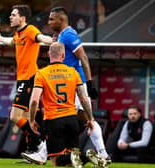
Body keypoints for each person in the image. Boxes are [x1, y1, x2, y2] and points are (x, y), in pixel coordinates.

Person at [48, 6, 110, 166]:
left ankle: (103, 154)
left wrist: (89, 83)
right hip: (68, 83)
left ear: (61, 20)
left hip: (77, 83)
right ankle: (90, 154)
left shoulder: (69, 34)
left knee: (87, 119)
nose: (49, 22)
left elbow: (83, 57)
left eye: (51, 19)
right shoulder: (61, 35)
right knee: (77, 120)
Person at [0, 4, 52, 154]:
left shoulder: (30, 30)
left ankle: (39, 142)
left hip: (30, 78)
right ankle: (35, 149)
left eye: (13, 15)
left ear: (22, 18)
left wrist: (52, 40)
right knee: (26, 118)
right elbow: (11, 42)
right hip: (22, 79)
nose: (10, 17)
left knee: (14, 116)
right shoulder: (18, 34)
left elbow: (41, 37)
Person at [22, 42, 94, 168]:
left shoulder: (41, 73)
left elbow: (34, 100)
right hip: (72, 119)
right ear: (63, 56)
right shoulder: (73, 72)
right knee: (72, 161)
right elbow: (83, 98)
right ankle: (83, 156)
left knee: (56, 161)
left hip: (53, 120)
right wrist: (90, 118)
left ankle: (85, 156)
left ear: (48, 54)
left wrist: (32, 120)